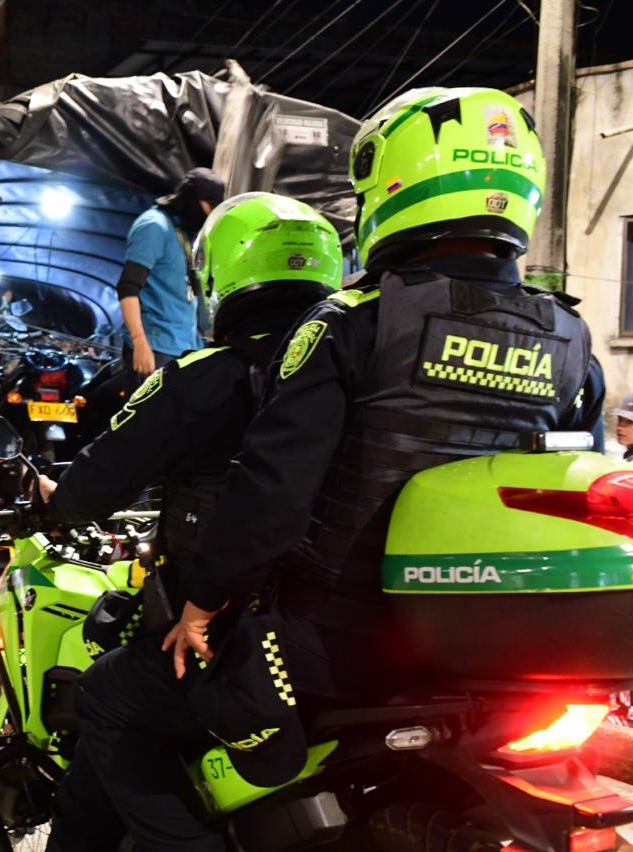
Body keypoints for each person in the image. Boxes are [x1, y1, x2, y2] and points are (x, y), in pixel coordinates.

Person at [149, 87, 605, 842]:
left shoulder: (354, 322)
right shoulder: (570, 336)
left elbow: (273, 488)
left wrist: (204, 599)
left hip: (339, 636)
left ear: (393, 184)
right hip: (487, 639)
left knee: (130, 706)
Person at [40, 193, 344, 851]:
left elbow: (97, 479)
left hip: (233, 634)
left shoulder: (200, 378)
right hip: (342, 631)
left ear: (218, 279)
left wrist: (55, 499)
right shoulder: (356, 361)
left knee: (105, 698)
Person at [118, 166, 226, 392]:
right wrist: (139, 342)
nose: (209, 214)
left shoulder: (184, 234)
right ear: (192, 199)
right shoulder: (154, 226)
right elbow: (128, 288)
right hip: (155, 347)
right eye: (209, 206)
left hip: (184, 347)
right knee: (149, 423)